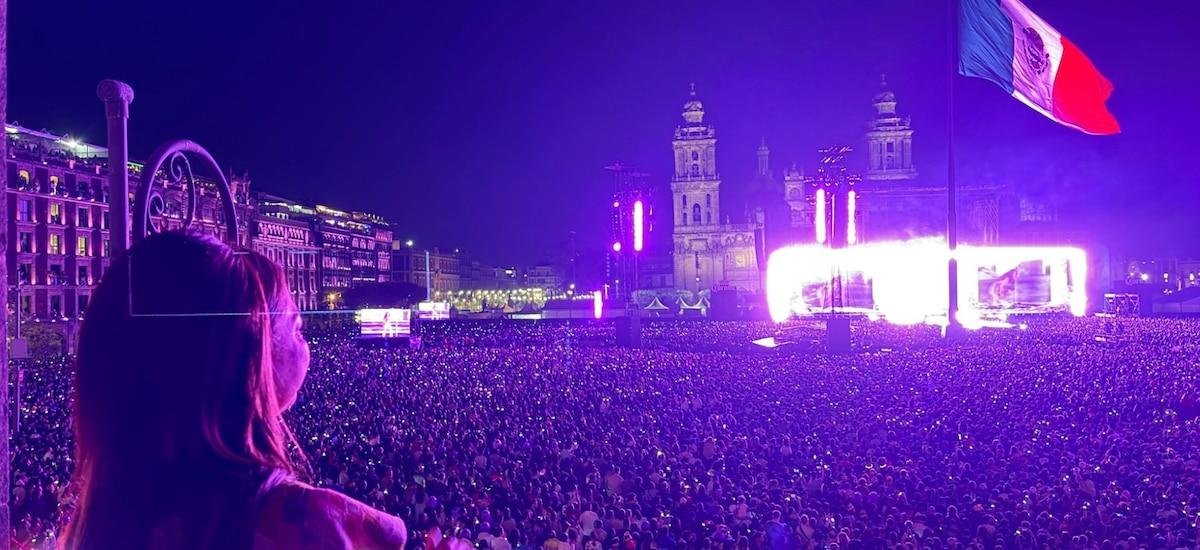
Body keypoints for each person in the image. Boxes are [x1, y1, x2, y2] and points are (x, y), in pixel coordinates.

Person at [62, 231, 417, 549]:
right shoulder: (304, 527)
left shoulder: (93, 527)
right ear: (248, 353)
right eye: (295, 328)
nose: (305, 346)